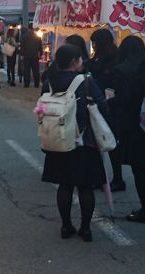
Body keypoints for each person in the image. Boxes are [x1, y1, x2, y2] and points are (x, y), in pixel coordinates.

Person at [41, 44, 107, 242]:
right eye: (79, 59)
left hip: (58, 139)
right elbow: (102, 105)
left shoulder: (49, 81)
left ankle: (66, 225)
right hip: (83, 141)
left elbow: (43, 107)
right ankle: (85, 228)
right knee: (85, 187)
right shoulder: (85, 81)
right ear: (73, 62)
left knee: (65, 185)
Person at [108, 35, 145, 224]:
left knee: (139, 168)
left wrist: (111, 101)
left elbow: (124, 98)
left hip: (130, 124)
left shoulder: (121, 70)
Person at [88, 29, 123, 191]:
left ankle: (117, 178)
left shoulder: (112, 60)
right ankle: (101, 177)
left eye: (95, 42)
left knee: (109, 142)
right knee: (99, 142)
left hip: (110, 106)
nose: (93, 46)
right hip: (100, 104)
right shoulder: (100, 58)